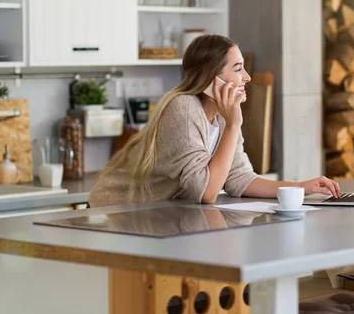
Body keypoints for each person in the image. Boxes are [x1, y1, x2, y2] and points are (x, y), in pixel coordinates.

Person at [89, 35, 340, 207]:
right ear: (212, 77)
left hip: (149, 214)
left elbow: (240, 179)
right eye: (238, 68)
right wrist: (234, 125)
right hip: (112, 212)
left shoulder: (221, 115)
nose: (247, 77)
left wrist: (301, 188)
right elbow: (207, 192)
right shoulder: (184, 107)